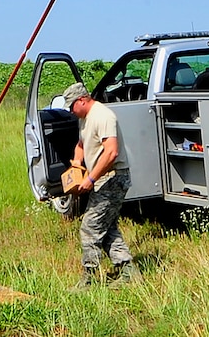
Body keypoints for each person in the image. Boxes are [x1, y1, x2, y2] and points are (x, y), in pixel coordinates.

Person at [63, 82, 133, 286]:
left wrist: (90, 179)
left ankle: (90, 277)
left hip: (113, 177)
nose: (70, 111)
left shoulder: (103, 116)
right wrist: (77, 163)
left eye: (71, 106)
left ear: (82, 100)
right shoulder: (85, 119)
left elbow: (112, 152)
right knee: (107, 226)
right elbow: (81, 144)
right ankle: (128, 272)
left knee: (90, 227)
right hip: (101, 178)